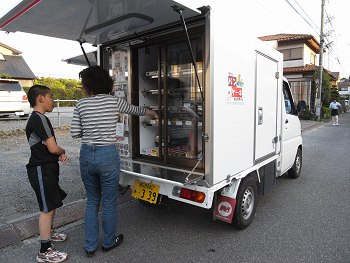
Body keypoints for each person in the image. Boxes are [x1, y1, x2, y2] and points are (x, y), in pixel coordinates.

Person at [71, 65, 158, 257]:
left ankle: (89, 246)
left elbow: (75, 133)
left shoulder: (80, 104)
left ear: (88, 85)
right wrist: (153, 112)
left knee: (92, 201)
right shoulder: (113, 102)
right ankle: (109, 242)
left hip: (86, 155)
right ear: (106, 83)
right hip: (108, 155)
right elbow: (136, 110)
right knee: (109, 202)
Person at [26, 85, 71, 263]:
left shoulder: (39, 118)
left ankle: (49, 233)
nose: (53, 101)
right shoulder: (39, 118)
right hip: (40, 169)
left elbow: (46, 147)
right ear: (41, 99)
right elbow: (52, 147)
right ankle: (44, 250)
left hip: (46, 168)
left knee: (51, 203)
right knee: (46, 208)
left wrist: (56, 153)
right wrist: (62, 150)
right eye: (51, 97)